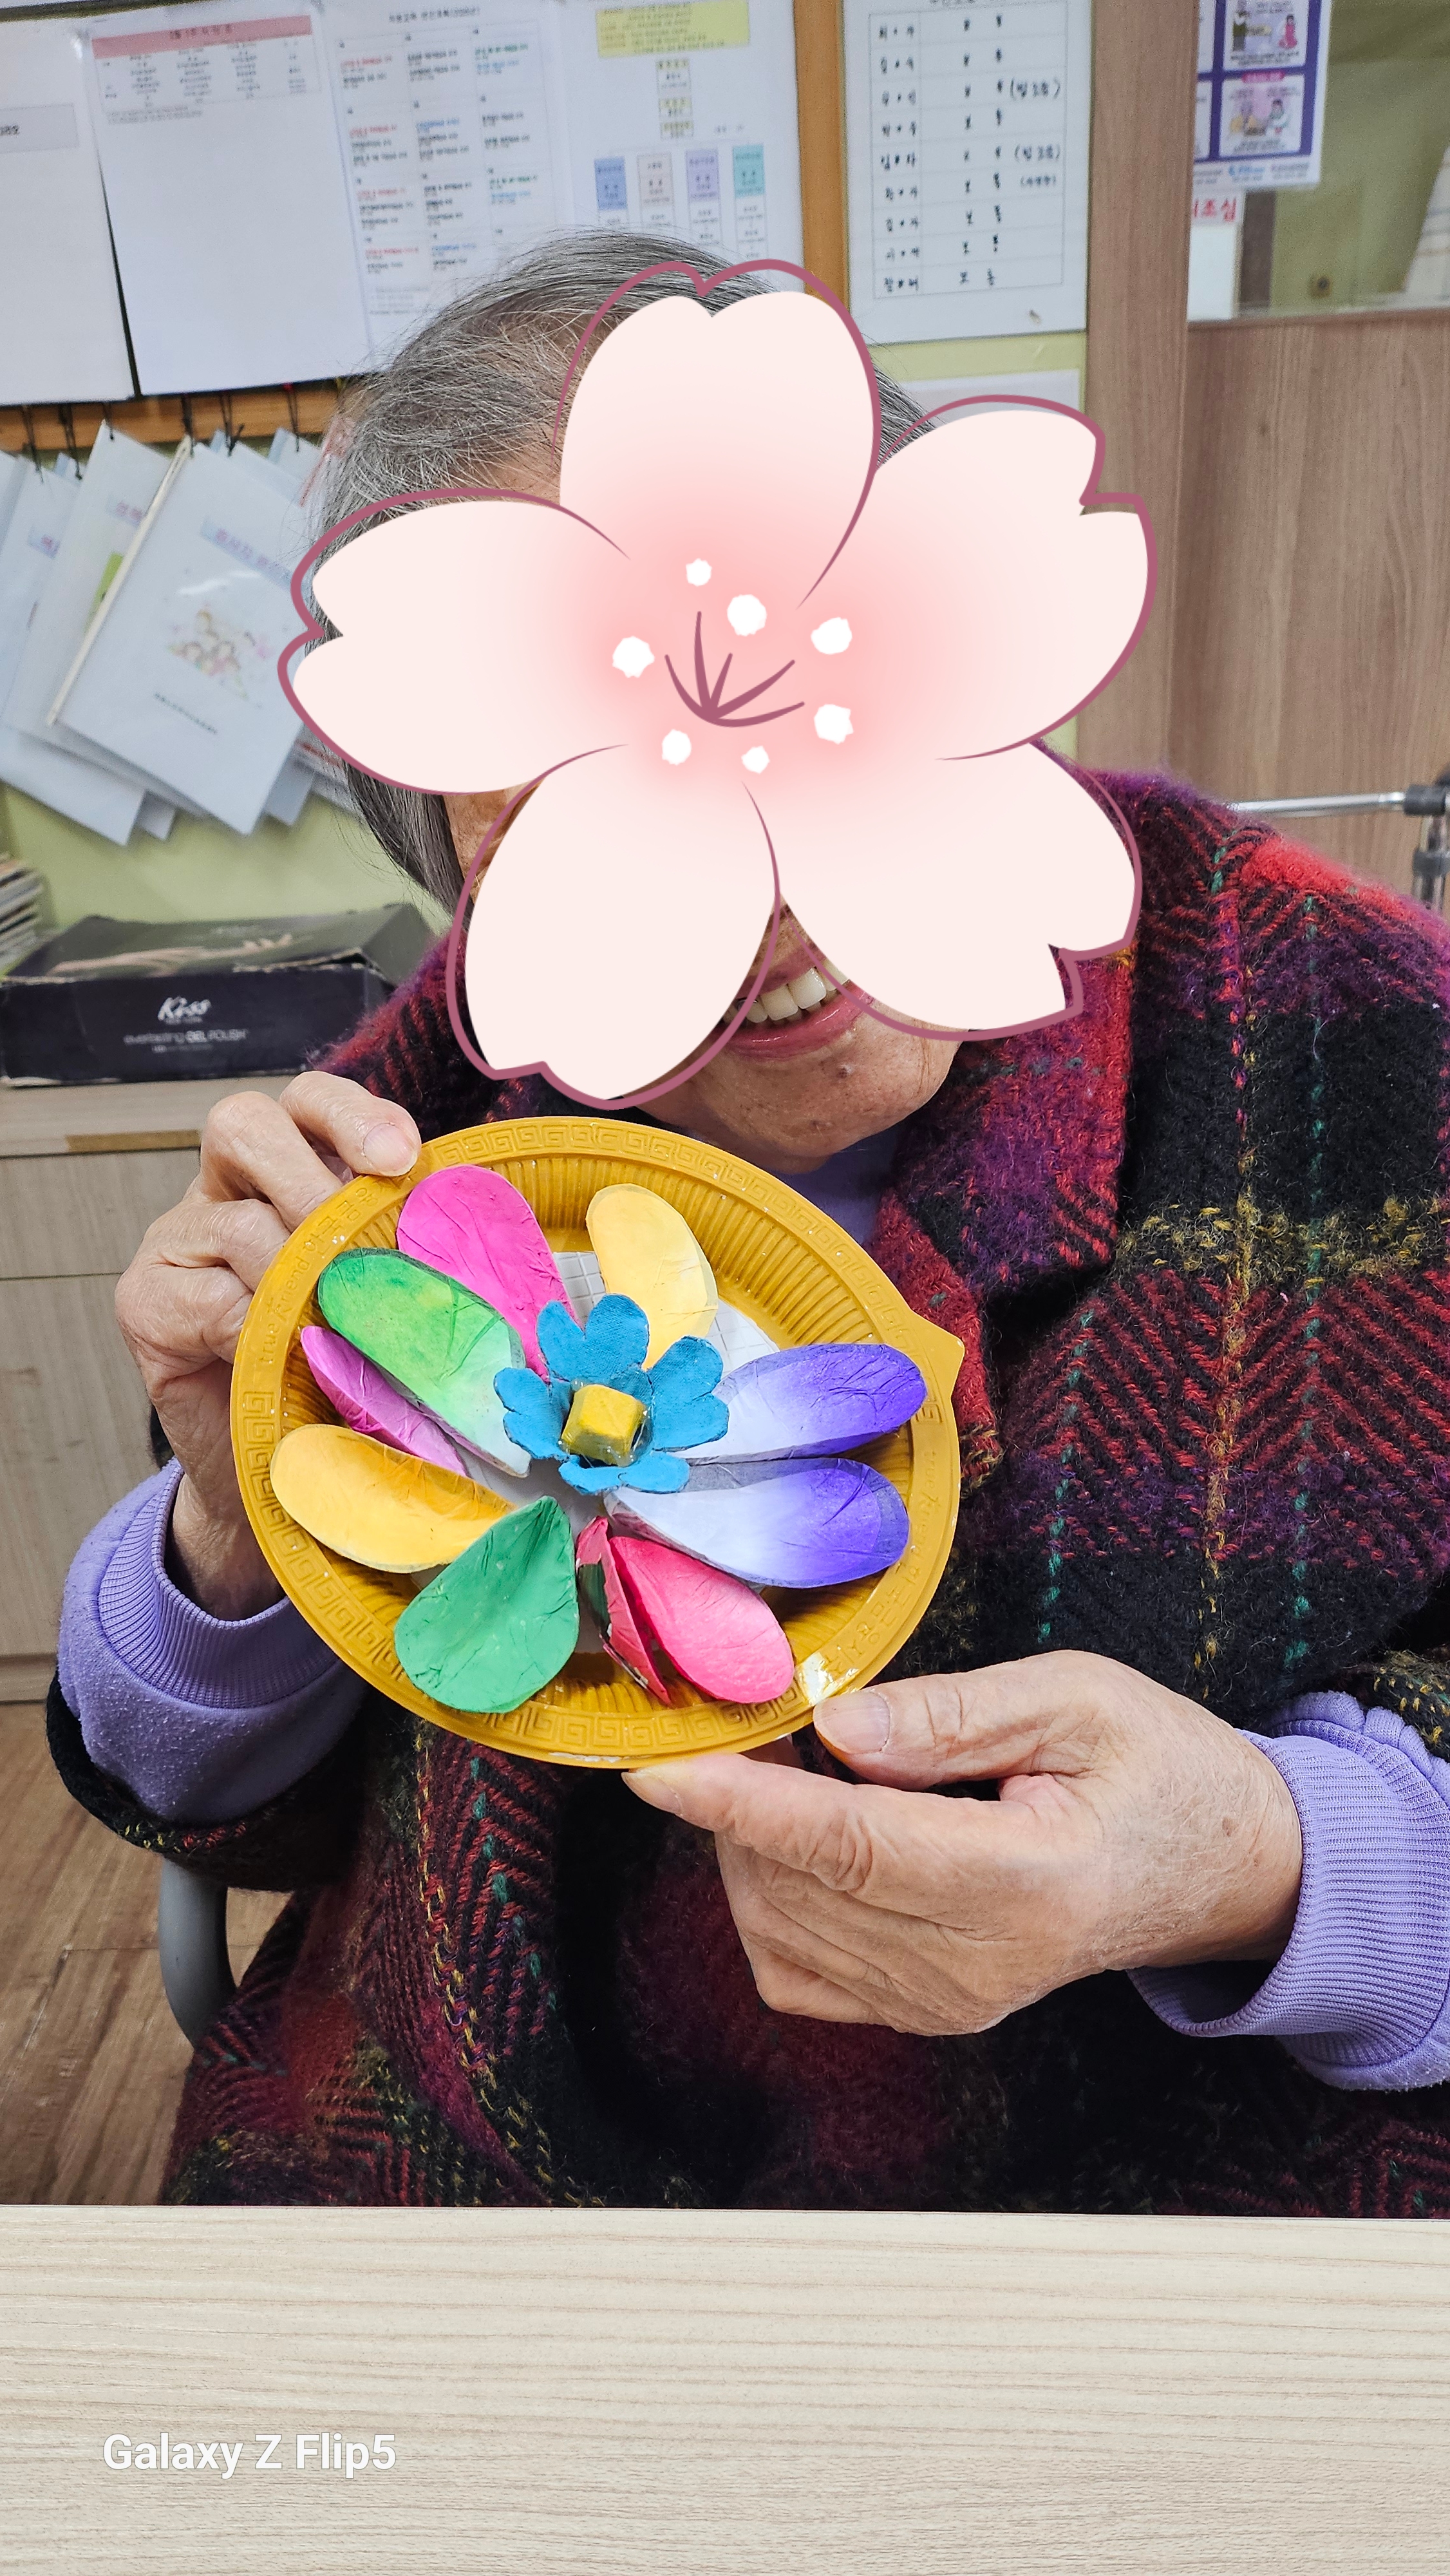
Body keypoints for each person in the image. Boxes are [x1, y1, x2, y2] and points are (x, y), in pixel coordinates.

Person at [52, 236, 1450, 2213]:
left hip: (1175, 2168)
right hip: (497, 2160)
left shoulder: (1350, 1035)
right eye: (601, 799)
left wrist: (1268, 1863)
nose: (773, 887)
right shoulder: (413, 1131)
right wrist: (230, 1531)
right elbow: (190, 1783)